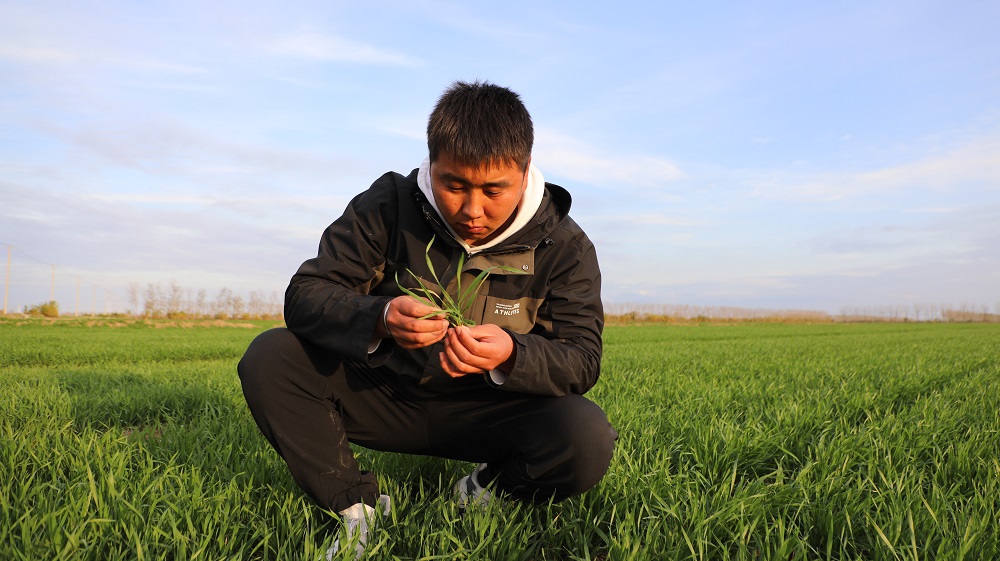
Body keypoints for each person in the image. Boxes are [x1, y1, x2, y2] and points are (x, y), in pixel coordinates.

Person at [238, 80, 617, 557]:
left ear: (524, 173)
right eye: (453, 185)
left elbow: (582, 359)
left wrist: (511, 353)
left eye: (493, 190)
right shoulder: (388, 205)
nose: (472, 210)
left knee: (585, 436)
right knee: (271, 356)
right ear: (431, 164)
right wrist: (380, 317)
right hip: (383, 392)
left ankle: (488, 490)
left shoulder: (564, 245)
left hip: (487, 409)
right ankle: (355, 508)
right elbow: (306, 295)